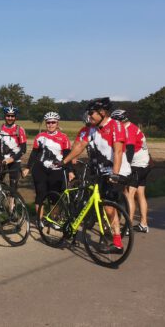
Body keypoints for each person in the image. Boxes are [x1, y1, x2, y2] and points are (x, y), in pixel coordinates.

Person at [63, 97, 131, 253]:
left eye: (91, 113)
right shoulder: (92, 129)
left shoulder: (116, 126)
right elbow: (80, 145)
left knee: (108, 208)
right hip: (100, 172)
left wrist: (115, 174)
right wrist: (64, 161)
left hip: (117, 171)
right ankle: (108, 236)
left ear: (102, 112)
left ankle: (115, 241)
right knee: (102, 207)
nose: (89, 116)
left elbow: (118, 151)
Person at [22, 112, 72, 224]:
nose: (50, 125)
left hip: (57, 170)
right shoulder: (40, 137)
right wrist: (27, 168)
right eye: (48, 122)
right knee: (40, 194)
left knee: (55, 197)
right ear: (46, 124)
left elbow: (67, 156)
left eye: (53, 122)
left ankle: (53, 220)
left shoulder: (64, 137)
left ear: (57, 123)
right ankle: (39, 221)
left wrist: (70, 171)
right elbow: (34, 154)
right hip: (40, 170)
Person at [111, 109, 151, 233]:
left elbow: (130, 150)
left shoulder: (128, 130)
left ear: (119, 120)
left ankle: (127, 227)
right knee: (140, 194)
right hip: (144, 164)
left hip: (136, 165)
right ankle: (143, 224)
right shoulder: (132, 126)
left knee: (129, 195)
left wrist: (125, 166)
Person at [0, 103, 27, 192]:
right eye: (8, 116)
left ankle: (12, 205)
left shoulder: (20, 130)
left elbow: (23, 149)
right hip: (1, 160)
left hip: (15, 160)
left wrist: (12, 159)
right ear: (5, 116)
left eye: (12, 116)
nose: (10, 118)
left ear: (15, 117)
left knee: (13, 185)